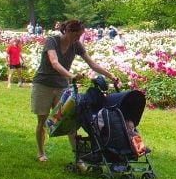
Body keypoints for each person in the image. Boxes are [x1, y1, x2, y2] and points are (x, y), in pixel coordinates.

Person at [31, 19, 119, 163]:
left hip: (61, 86)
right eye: (77, 35)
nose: (78, 39)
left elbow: (91, 63)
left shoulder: (76, 45)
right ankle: (41, 153)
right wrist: (71, 76)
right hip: (43, 85)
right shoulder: (52, 41)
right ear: (68, 31)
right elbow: (54, 62)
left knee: (69, 121)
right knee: (43, 119)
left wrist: (110, 75)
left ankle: (78, 157)